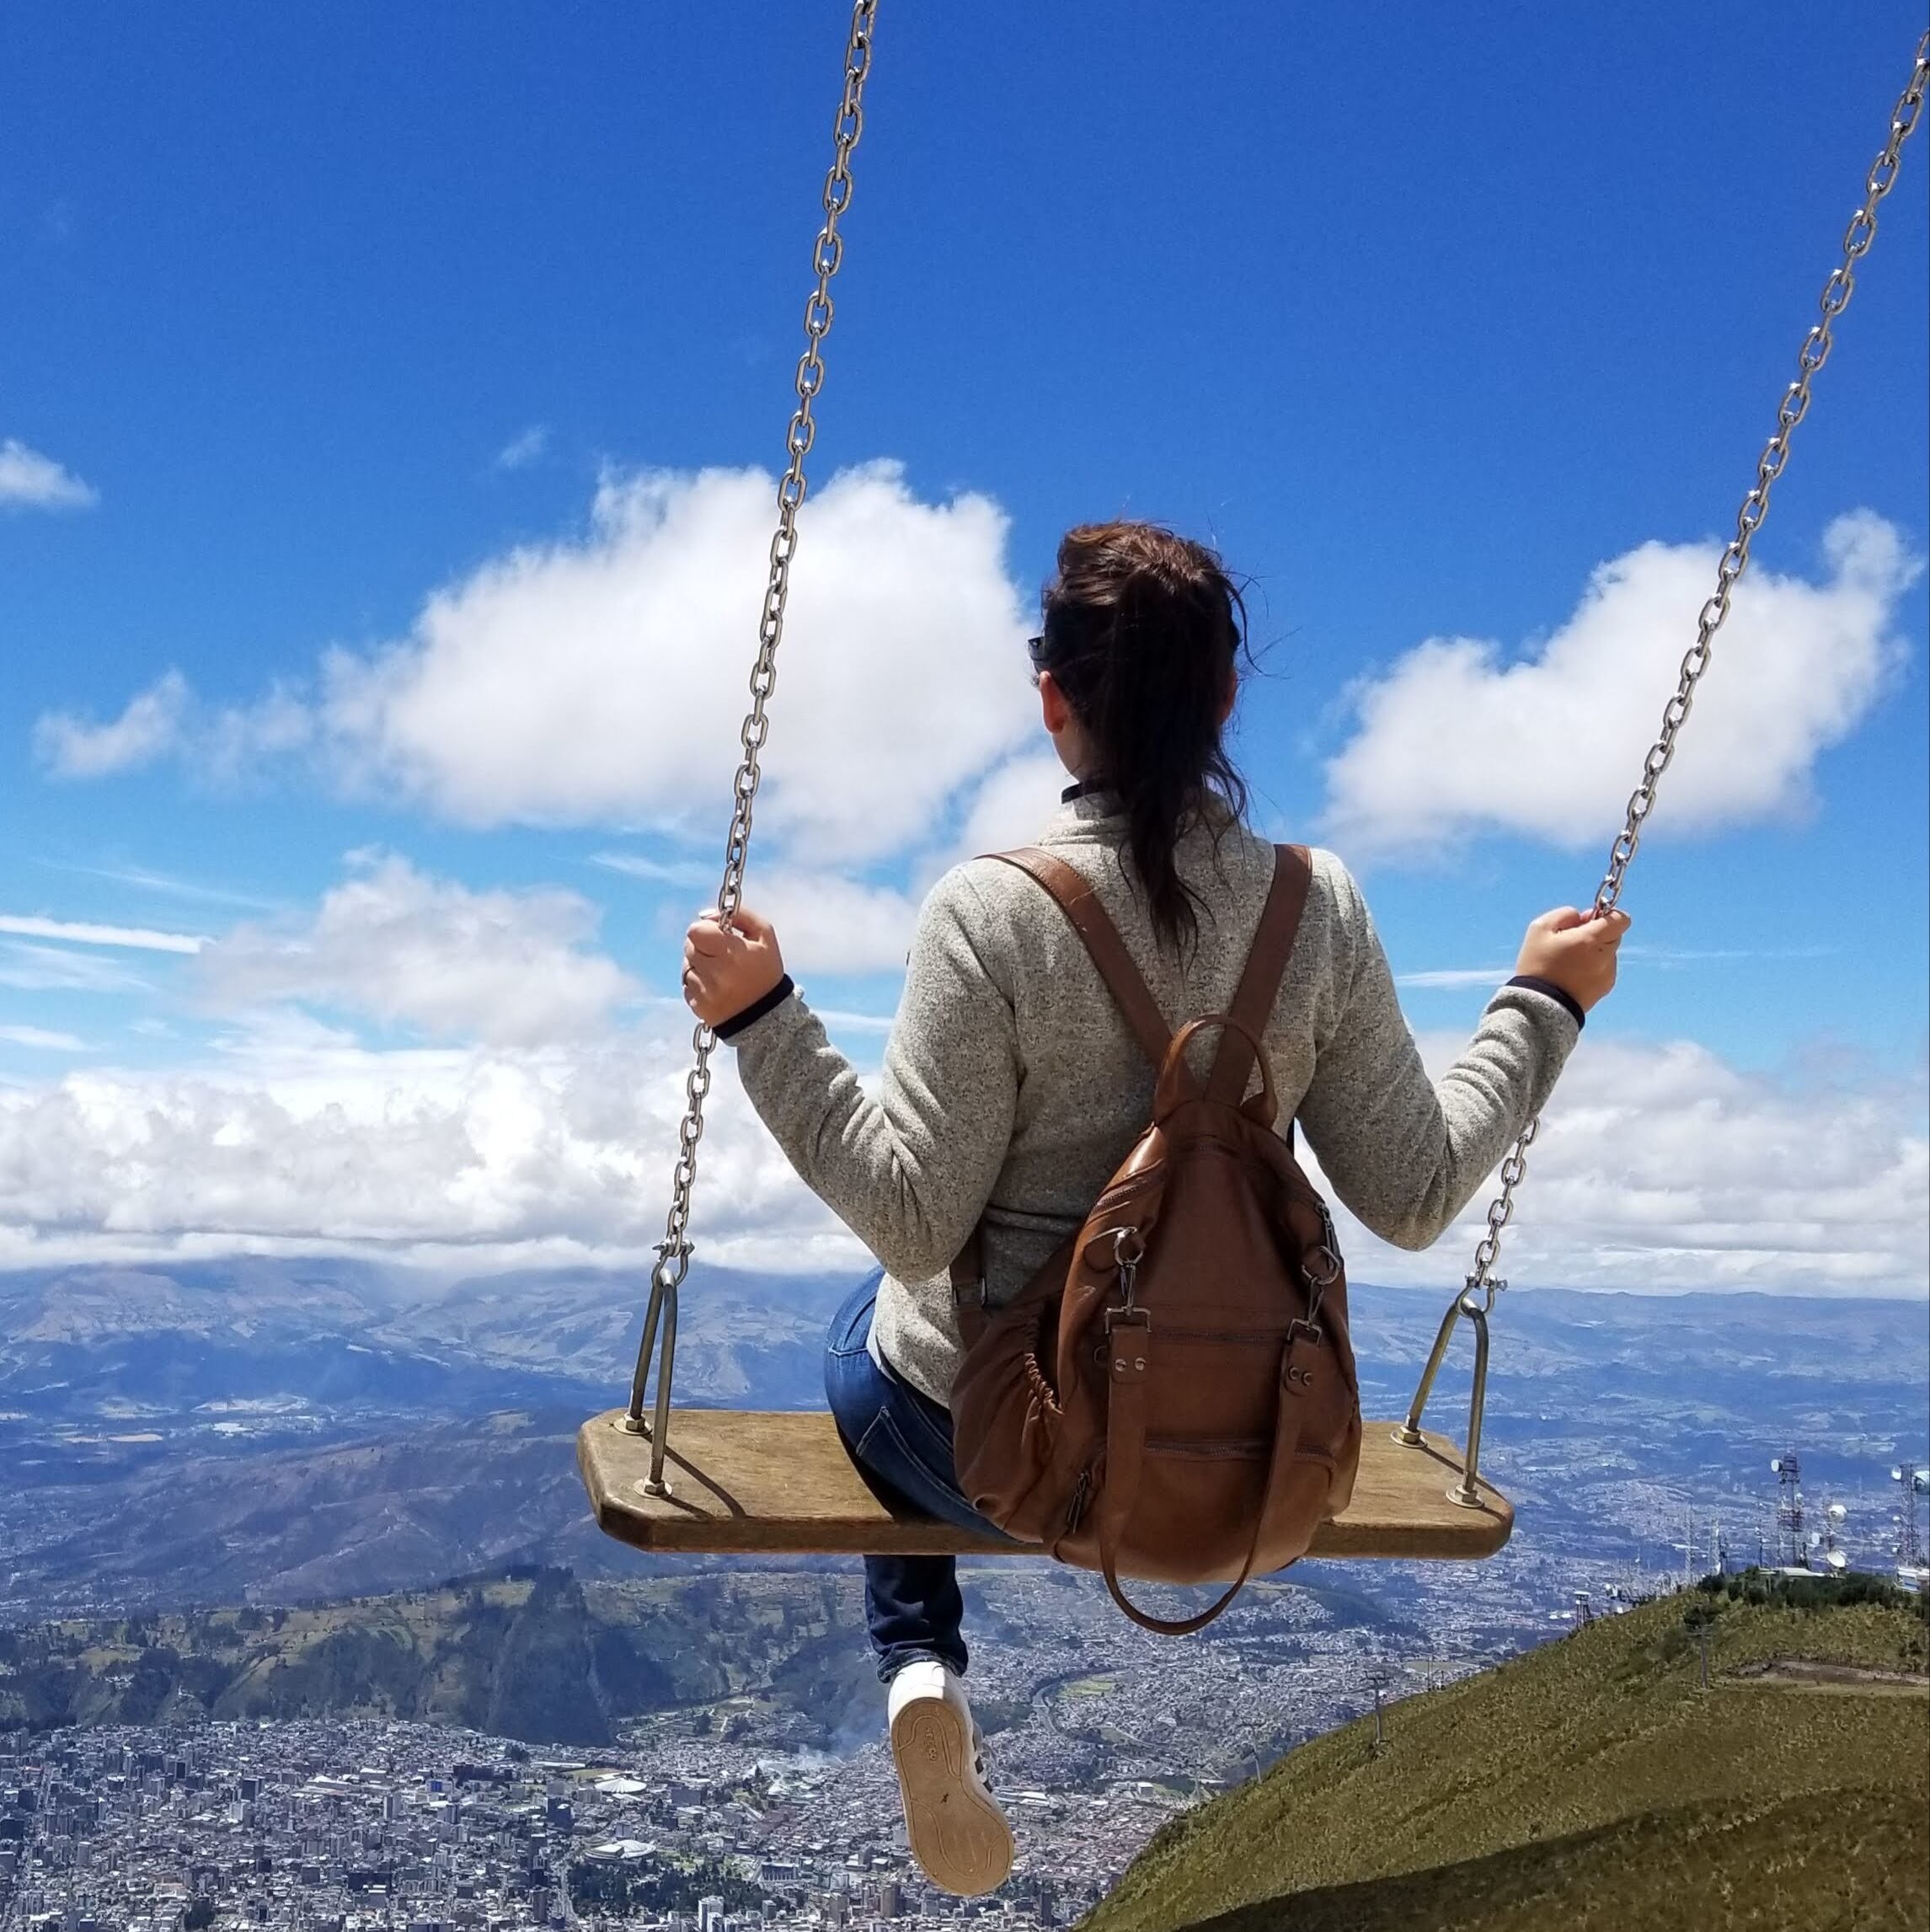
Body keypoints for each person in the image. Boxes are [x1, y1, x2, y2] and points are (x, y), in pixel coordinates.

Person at [680, 521, 1628, 1897]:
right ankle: (920, 1665)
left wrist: (763, 1020)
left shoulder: (989, 915)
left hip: (1003, 1458)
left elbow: (912, 1215)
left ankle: (916, 1662)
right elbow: (1415, 1192)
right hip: (1235, 1457)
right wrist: (1542, 1003)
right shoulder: (1322, 909)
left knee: (869, 1328)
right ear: (1228, 698)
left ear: (1053, 699)